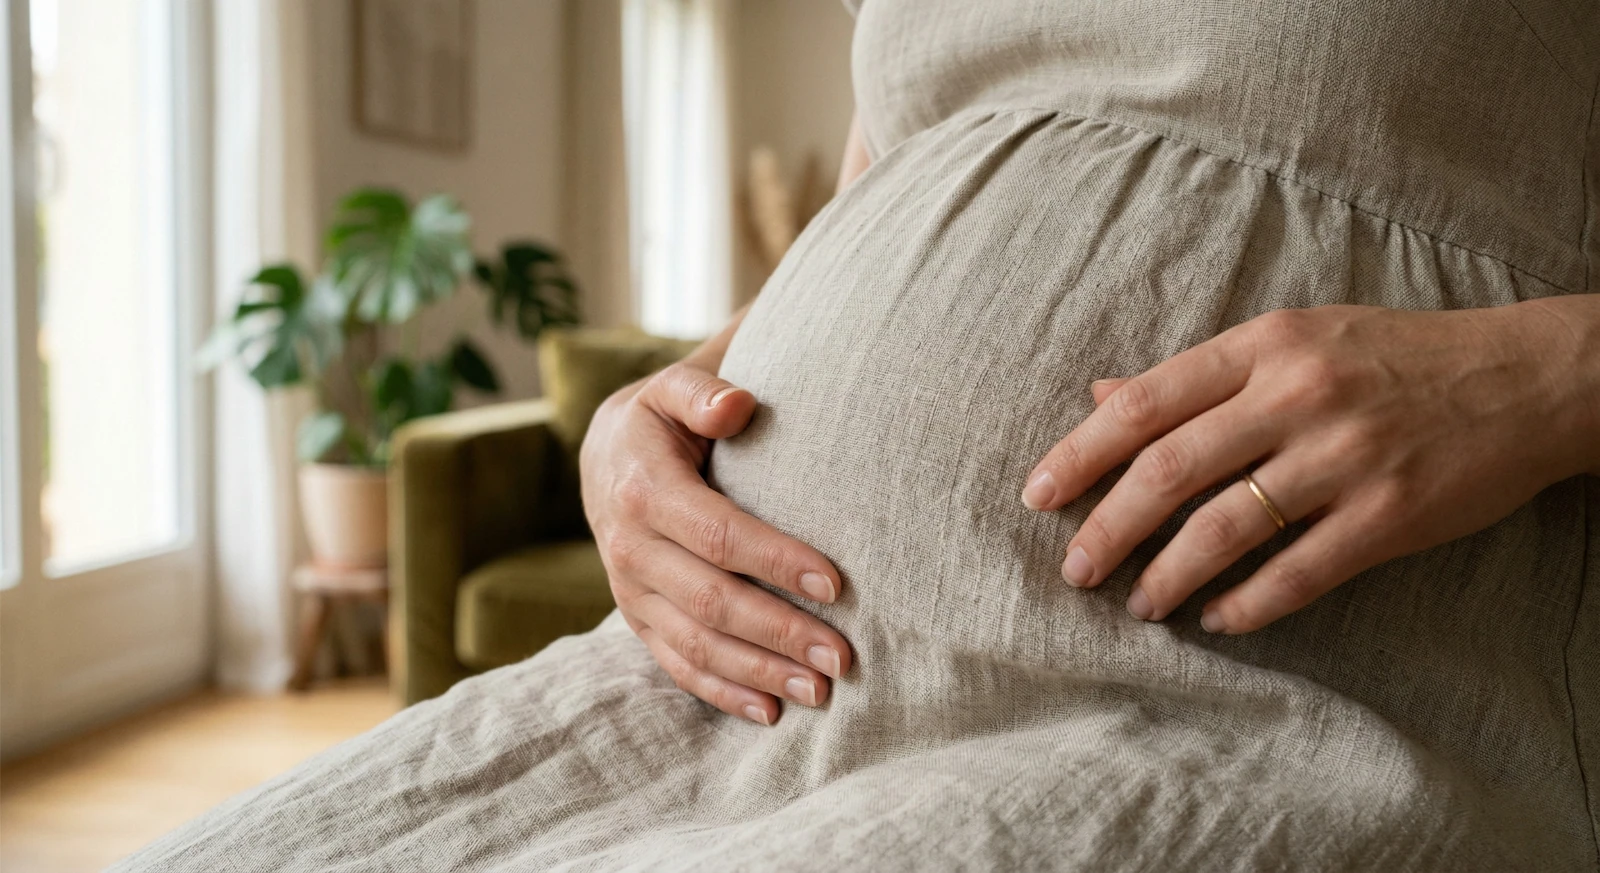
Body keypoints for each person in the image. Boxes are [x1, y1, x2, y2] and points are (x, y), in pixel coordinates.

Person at [119, 0, 1598, 870]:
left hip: (1269, 703)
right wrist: (657, 415)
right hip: (731, 690)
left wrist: (1540, 373)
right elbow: (883, 206)